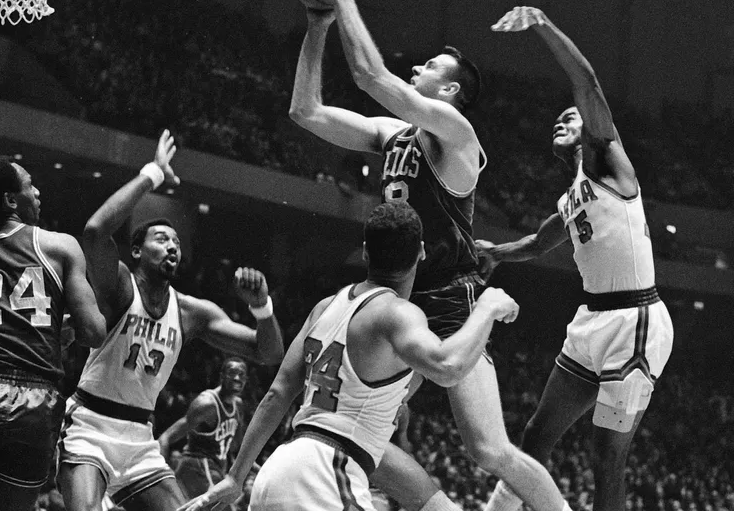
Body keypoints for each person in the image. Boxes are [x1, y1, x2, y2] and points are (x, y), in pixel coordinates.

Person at [289, 0, 571, 511]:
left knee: (489, 450)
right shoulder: (393, 135)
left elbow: (370, 77)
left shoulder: (456, 135)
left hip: (447, 300)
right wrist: (318, 23)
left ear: (448, 91)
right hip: (396, 297)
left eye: (427, 68)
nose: (414, 67)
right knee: (350, 425)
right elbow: (306, 111)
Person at [177, 202, 520, 511]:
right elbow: (448, 368)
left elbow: (276, 394)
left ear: (367, 253)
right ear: (421, 253)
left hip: (279, 471)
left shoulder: (325, 308)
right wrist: (486, 308)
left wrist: (236, 478)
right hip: (328, 473)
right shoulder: (398, 314)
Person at [479, 6, 675, 511]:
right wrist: (494, 254)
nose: (562, 121)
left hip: (636, 319)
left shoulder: (609, 161)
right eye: (560, 119)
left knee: (606, 457)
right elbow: (540, 243)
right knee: (535, 434)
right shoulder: (570, 200)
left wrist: (541, 24)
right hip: (591, 323)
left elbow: (586, 83)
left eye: (569, 117)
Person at [57, 130, 285, 511]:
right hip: (89, 427)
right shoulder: (118, 284)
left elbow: (267, 352)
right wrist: (154, 173)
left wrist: (263, 307)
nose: (172, 247)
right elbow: (95, 230)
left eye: (177, 243)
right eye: (161, 239)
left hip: (140, 439)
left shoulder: (194, 312)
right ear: (136, 250)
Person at [0, 156, 107, 511]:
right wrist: (61, 326)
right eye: (31, 184)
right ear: (11, 200)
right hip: (38, 401)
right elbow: (94, 331)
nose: (38, 191)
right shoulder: (60, 246)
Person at [158, 357, 248, 500]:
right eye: (232, 373)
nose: (237, 378)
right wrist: (161, 478)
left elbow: (237, 448)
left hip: (214, 471)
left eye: (242, 374)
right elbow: (166, 437)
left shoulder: (238, 406)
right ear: (222, 376)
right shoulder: (207, 404)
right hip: (197, 467)